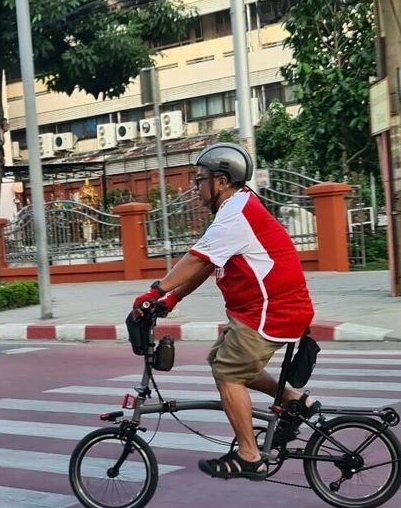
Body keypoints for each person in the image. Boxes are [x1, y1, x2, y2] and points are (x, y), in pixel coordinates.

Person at [131, 142, 318, 480]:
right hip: (264, 310)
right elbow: (206, 264)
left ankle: (250, 456)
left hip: (273, 310)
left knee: (229, 373)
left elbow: (195, 260)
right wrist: (171, 299)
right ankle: (294, 400)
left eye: (199, 180)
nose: (196, 188)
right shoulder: (236, 209)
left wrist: (155, 291)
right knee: (221, 359)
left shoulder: (236, 213)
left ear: (220, 181)